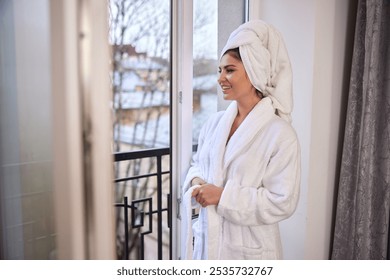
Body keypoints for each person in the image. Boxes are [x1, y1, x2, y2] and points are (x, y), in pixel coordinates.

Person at [181, 20, 301, 260]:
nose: (220, 78)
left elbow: (282, 201)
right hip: (207, 248)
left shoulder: (280, 135)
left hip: (249, 256)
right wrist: (196, 180)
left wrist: (223, 196)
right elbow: (198, 164)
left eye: (230, 70)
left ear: (254, 71)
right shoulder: (214, 124)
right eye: (219, 70)